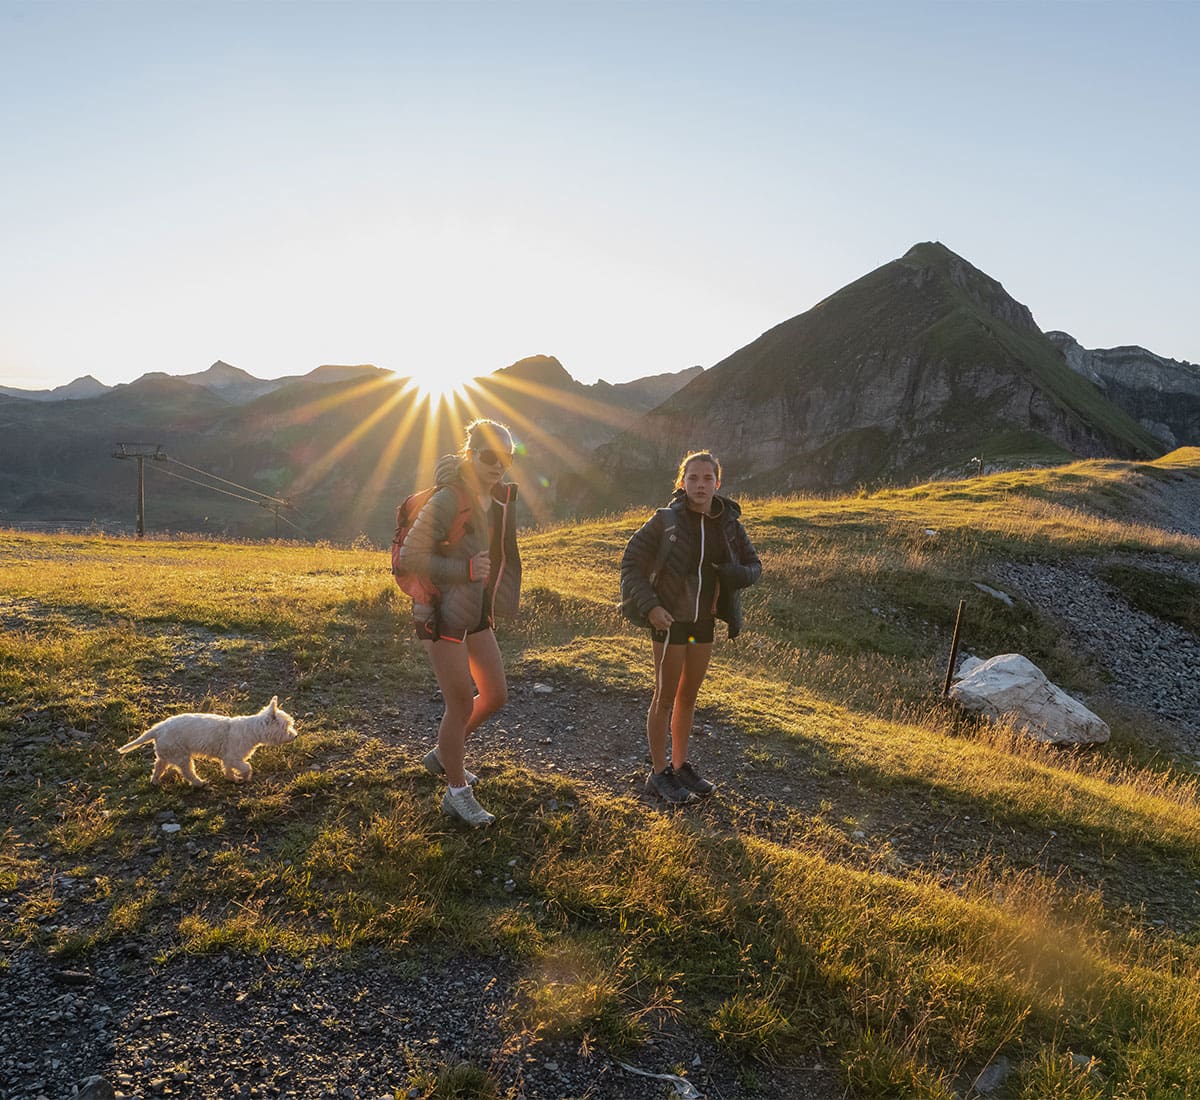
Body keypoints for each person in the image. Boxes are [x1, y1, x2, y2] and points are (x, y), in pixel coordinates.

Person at [398, 418, 522, 827]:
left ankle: (444, 754)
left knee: (496, 695)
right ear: (470, 455)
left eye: (506, 457)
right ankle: (456, 792)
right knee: (460, 703)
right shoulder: (449, 499)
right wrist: (464, 570)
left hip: (475, 613)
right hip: (440, 613)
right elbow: (410, 558)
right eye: (489, 456)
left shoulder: (497, 500)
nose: (498, 465)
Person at [620, 451, 761, 804]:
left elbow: (754, 566)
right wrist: (650, 607)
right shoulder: (665, 521)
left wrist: (730, 575)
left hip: (703, 623)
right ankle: (658, 772)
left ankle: (680, 765)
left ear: (718, 482)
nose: (700, 485)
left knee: (688, 696)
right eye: (693, 478)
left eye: (707, 479)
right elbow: (631, 563)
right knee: (665, 697)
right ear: (682, 482)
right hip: (669, 623)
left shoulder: (728, 523)